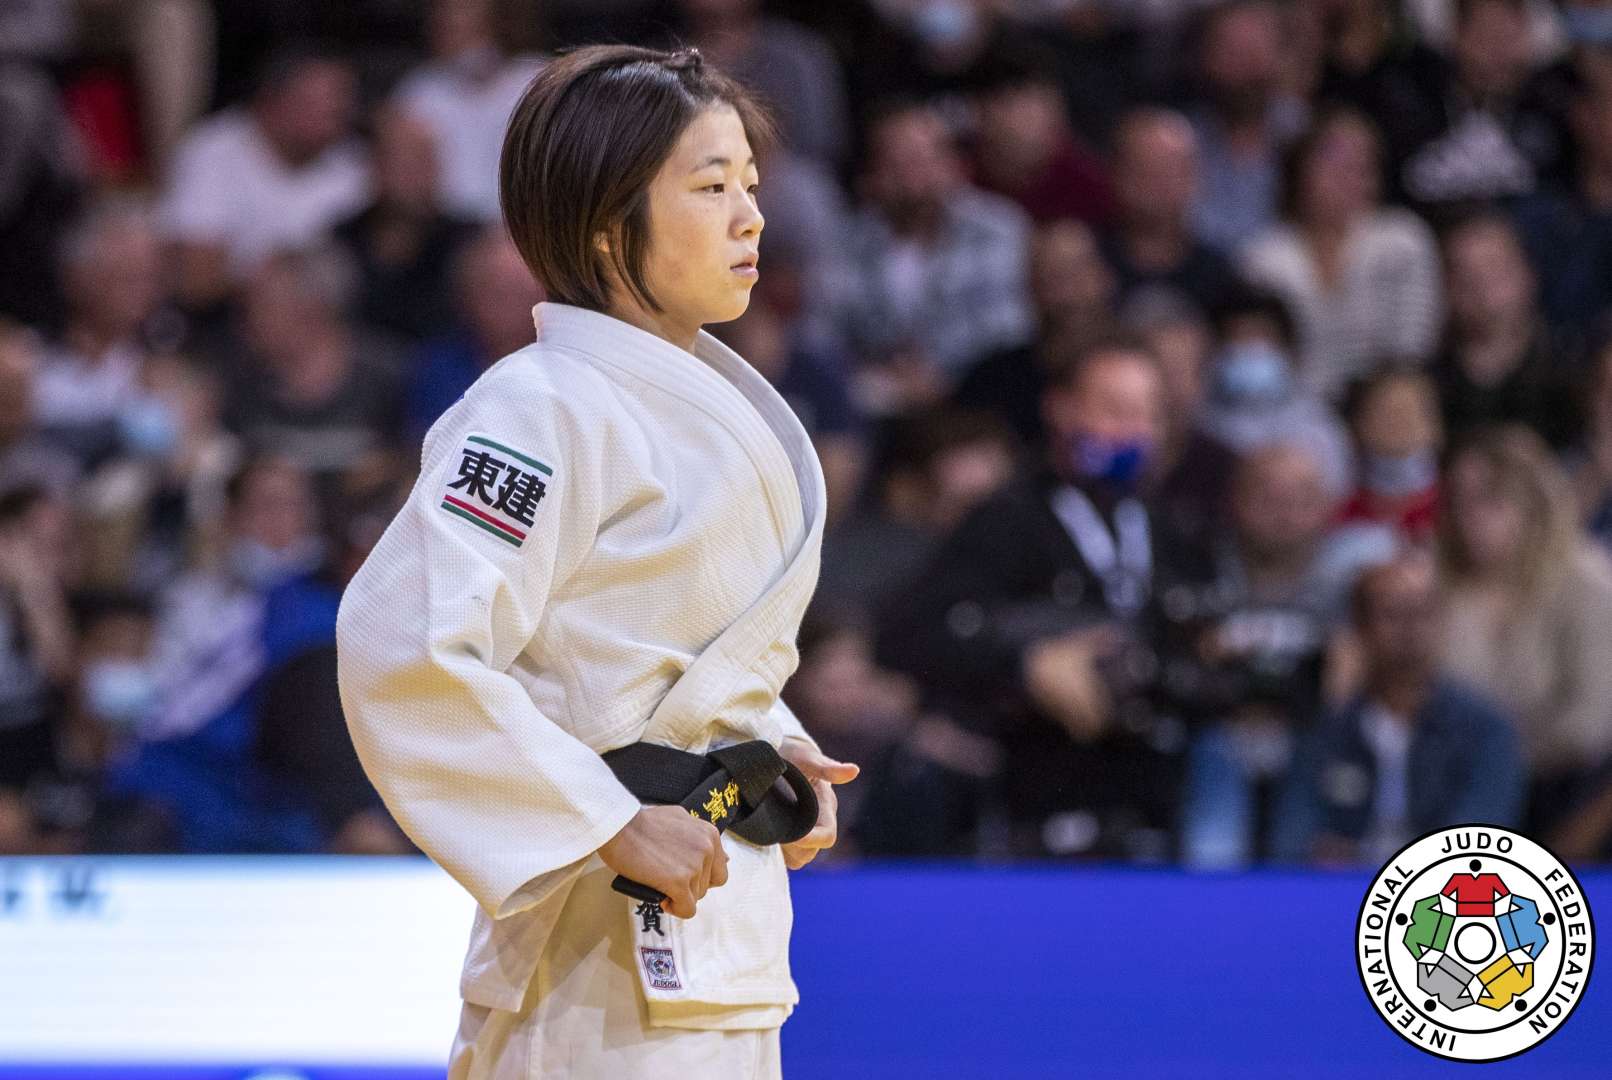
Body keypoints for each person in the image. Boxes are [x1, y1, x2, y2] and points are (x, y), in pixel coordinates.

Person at [334, 46, 858, 1079]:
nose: (753, 217)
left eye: (749, 186)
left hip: (714, 934)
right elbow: (403, 647)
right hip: (596, 954)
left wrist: (764, 740)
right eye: (711, 188)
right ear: (608, 224)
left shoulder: (691, 401)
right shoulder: (535, 409)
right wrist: (608, 819)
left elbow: (642, 655)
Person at [1276, 553, 1526, 867]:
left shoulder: (1486, 729)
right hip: (1337, 898)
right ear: (1361, 626)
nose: (1411, 630)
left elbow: (1481, 839)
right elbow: (1291, 839)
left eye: (1424, 614)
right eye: (1393, 613)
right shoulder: (1328, 726)